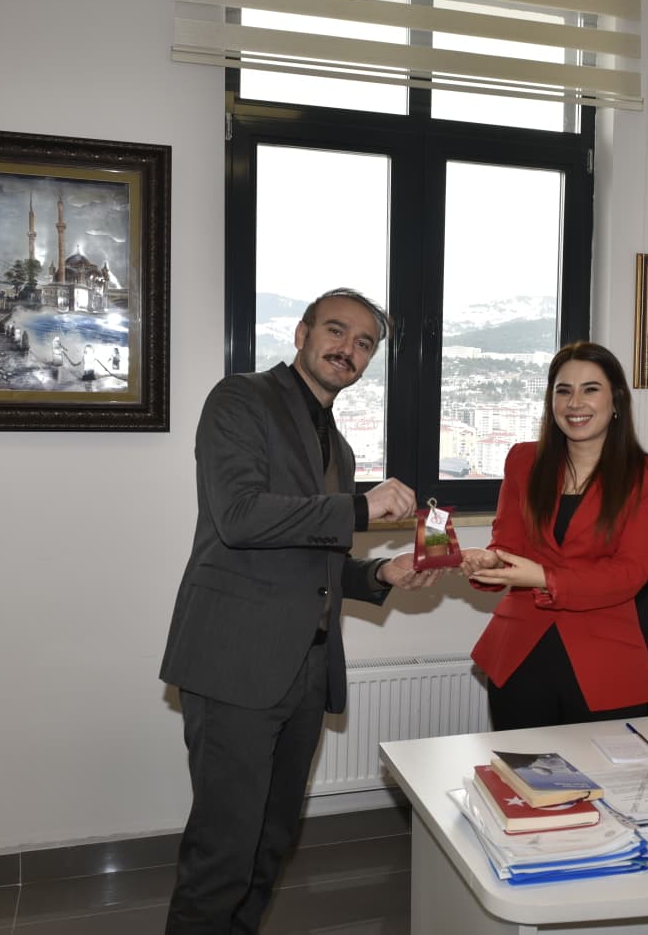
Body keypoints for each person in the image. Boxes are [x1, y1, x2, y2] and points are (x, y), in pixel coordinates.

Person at [160, 287, 443, 934]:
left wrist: (380, 573)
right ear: (301, 333)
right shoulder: (240, 399)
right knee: (223, 854)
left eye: (364, 343)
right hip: (235, 663)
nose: (348, 349)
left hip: (308, 670)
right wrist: (361, 508)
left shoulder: (337, 448)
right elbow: (240, 517)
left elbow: (313, 564)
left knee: (270, 845)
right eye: (336, 331)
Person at [461, 341, 648, 730]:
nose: (575, 403)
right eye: (563, 391)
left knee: (602, 770)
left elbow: (631, 572)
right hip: (520, 653)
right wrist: (491, 561)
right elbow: (508, 542)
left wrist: (545, 578)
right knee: (520, 767)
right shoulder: (523, 461)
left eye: (590, 389)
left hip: (605, 660)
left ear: (616, 400)